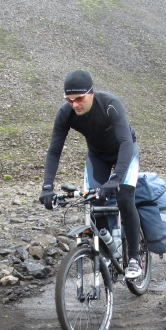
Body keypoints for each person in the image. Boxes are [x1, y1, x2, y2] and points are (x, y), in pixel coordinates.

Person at [39, 70, 143, 279]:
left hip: (124, 151)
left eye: (79, 98)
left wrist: (116, 178)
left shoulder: (110, 104)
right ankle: (108, 250)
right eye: (69, 99)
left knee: (124, 197)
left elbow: (125, 142)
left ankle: (134, 258)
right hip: (97, 156)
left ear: (91, 93)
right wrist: (47, 186)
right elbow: (54, 151)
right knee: (94, 201)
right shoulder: (65, 114)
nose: (74, 104)